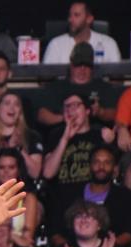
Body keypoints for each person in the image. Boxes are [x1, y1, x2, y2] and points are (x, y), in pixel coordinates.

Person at [41, 93, 115, 236]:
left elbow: (111, 170)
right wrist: (65, 138)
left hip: (93, 199)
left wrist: (111, 142)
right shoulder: (56, 135)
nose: (71, 110)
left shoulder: (99, 134)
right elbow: (48, 173)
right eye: (67, 107)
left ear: (87, 111)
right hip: (62, 198)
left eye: (76, 105)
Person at [37, 42, 120, 129]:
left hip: (95, 132)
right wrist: (64, 118)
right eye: (78, 65)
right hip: (63, 131)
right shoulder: (56, 87)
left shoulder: (103, 87)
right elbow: (42, 115)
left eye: (86, 66)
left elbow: (116, 114)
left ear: (92, 67)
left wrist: (100, 112)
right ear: (71, 66)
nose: (82, 69)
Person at [78, 144, 131, 247]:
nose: (101, 167)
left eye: (107, 162)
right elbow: (56, 232)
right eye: (96, 162)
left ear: (115, 168)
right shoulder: (73, 194)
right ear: (89, 165)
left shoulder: (125, 196)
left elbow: (130, 233)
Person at [43, 2, 121, 64]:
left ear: (89, 19)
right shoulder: (56, 44)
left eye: (76, 15)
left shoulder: (108, 43)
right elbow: (46, 76)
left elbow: (117, 76)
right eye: (70, 15)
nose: (70, 19)